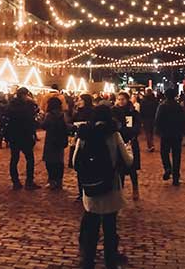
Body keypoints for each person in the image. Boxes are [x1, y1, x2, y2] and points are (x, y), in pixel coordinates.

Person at [73, 105, 133, 269]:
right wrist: (129, 149)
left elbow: (74, 162)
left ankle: (88, 261)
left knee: (91, 228)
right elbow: (128, 161)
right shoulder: (114, 135)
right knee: (110, 228)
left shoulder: (84, 134)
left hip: (91, 189)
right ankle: (110, 262)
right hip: (110, 188)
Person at [5, 87, 40, 190]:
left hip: (14, 135)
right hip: (25, 135)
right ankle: (29, 181)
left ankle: (15, 181)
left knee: (14, 159)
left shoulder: (11, 105)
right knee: (29, 158)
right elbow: (30, 119)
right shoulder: (27, 105)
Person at [112, 91, 141, 200]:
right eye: (119, 99)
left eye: (122, 99)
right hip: (118, 142)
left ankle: (135, 188)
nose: (120, 101)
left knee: (132, 168)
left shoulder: (133, 112)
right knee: (120, 169)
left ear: (127, 99)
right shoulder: (114, 112)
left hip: (130, 142)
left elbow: (137, 127)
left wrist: (132, 134)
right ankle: (120, 191)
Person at [155, 89, 185, 186]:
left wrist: (159, 130)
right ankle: (176, 177)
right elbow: (183, 120)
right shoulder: (179, 107)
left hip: (166, 134)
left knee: (164, 153)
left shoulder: (162, 106)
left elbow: (158, 119)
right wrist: (182, 131)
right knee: (176, 155)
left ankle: (168, 168)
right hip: (177, 134)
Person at [42, 96, 68, 189]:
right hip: (60, 140)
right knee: (59, 161)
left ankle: (52, 181)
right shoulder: (63, 115)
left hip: (50, 140)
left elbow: (44, 126)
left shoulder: (49, 115)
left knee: (49, 162)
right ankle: (59, 181)